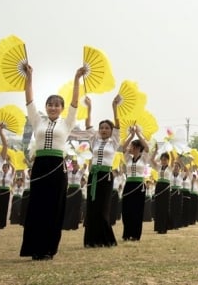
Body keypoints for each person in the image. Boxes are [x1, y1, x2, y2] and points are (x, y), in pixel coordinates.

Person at [20, 64, 86, 260]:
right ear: (46, 107)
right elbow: (29, 99)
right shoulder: (37, 121)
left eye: (57, 105)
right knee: (37, 206)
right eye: (50, 104)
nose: (53, 107)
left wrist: (76, 79)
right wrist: (29, 77)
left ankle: (49, 248)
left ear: (62, 108)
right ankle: (34, 248)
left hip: (58, 167)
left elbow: (75, 101)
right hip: (40, 165)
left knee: (54, 206)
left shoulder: (67, 123)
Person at [82, 95, 120, 247]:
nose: (104, 130)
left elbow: (118, 124)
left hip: (106, 176)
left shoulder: (114, 142)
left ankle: (106, 239)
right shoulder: (94, 140)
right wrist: (89, 107)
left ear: (111, 131)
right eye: (102, 128)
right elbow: (87, 124)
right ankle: (91, 240)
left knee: (103, 207)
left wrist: (114, 107)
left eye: (107, 128)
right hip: (93, 175)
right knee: (92, 207)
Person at [121, 126, 150, 241]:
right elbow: (123, 148)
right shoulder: (128, 158)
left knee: (137, 210)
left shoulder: (143, 158)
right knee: (126, 209)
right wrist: (131, 136)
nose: (130, 148)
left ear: (137, 148)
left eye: (132, 146)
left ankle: (135, 234)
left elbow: (147, 147)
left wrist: (138, 134)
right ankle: (127, 233)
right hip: (128, 185)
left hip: (139, 186)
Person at [63, 158, 84, 230]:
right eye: (73, 163)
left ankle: (74, 225)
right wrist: (65, 159)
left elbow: (85, 166)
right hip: (70, 190)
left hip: (77, 191)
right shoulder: (68, 172)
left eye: (75, 163)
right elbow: (64, 167)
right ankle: (66, 225)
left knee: (76, 208)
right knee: (68, 207)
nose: (74, 165)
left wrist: (82, 158)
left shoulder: (80, 172)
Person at [0, 162, 14, 229]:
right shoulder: (0, 174)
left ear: (8, 168)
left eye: (6, 167)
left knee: (4, 207)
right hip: (0, 191)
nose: (4, 168)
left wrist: (9, 161)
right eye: (3, 167)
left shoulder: (10, 174)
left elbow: (13, 168)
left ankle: (2, 224)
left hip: (6, 191)